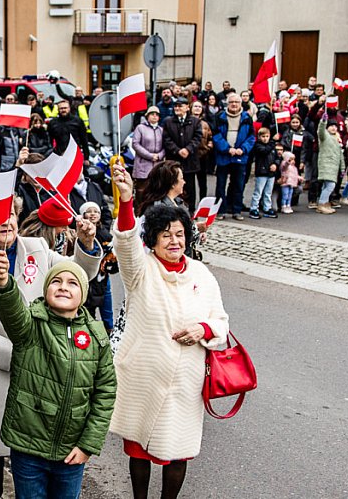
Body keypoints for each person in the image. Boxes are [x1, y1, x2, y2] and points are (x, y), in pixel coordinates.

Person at [0, 198, 102, 499]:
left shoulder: (38, 250)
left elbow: (77, 277)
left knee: (32, 456)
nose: (6, 222)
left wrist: (86, 243)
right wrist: (18, 354)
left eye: (11, 215)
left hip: (40, 377)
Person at [109, 163, 230, 499]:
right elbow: (126, 244)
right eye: (166, 235)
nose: (174, 241)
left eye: (179, 234)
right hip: (143, 377)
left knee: (178, 451)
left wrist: (202, 329)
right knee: (139, 452)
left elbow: (221, 324)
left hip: (185, 383)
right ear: (154, 239)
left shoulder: (201, 274)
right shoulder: (141, 270)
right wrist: (126, 202)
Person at [0, 257, 116, 499]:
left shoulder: (97, 337)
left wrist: (88, 445)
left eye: (72, 283)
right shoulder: (31, 326)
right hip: (28, 450)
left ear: (83, 294)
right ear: (46, 289)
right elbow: (13, 311)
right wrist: (4, 283)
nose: (63, 287)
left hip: (71, 453)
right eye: (56, 281)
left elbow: (105, 393)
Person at [213, 93, 255, 220]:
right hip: (224, 156)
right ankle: (220, 211)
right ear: (227, 103)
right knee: (220, 185)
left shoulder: (247, 117)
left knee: (238, 184)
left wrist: (242, 149)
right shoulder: (220, 116)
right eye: (231, 102)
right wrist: (227, 149)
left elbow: (251, 137)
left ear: (240, 103)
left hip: (240, 156)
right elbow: (216, 135)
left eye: (237, 102)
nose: (234, 104)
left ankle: (236, 210)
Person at [79, 201, 117, 332]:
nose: (93, 214)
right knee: (88, 303)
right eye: (89, 211)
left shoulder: (105, 234)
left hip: (102, 275)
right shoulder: (80, 233)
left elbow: (112, 254)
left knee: (106, 302)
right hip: (87, 275)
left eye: (96, 211)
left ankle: (109, 328)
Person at [163, 98, 202, 212]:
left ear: (187, 107)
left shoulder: (195, 121)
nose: (177, 108)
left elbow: (197, 137)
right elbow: (166, 138)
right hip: (174, 160)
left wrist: (188, 149)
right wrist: (177, 150)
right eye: (176, 106)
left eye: (180, 106)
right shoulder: (168, 122)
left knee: (190, 188)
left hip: (190, 161)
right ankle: (174, 209)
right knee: (173, 185)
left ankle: (190, 211)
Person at [315, 113, 346, 215]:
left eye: (335, 126)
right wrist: (323, 121)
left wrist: (342, 169)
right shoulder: (325, 137)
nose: (333, 128)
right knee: (330, 185)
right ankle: (322, 203)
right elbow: (320, 131)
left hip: (334, 166)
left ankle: (325, 202)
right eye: (331, 126)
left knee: (327, 185)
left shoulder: (337, 139)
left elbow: (340, 156)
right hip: (326, 164)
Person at [248, 128, 279, 219]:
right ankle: (254, 208)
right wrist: (273, 141)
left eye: (267, 136)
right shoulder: (258, 146)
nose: (265, 138)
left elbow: (277, 157)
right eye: (263, 136)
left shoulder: (272, 147)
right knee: (258, 192)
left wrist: (275, 164)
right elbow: (265, 151)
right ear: (259, 137)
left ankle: (267, 207)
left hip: (270, 173)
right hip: (262, 172)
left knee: (268, 192)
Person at [15, 153, 52, 227]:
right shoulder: (20, 190)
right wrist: (18, 164)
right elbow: (12, 187)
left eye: (40, 172)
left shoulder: (52, 192)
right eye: (32, 172)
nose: (36, 176)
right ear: (25, 174)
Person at [132, 106, 165, 186]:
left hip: (157, 164)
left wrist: (159, 155)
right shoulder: (140, 128)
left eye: (156, 115)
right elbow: (135, 144)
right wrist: (149, 156)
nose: (154, 116)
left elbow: (165, 146)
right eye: (152, 114)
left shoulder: (161, 130)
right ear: (147, 116)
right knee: (142, 189)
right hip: (143, 164)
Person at [189, 100, 214, 199]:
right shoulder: (187, 122)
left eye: (199, 107)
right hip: (190, 155)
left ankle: (202, 203)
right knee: (190, 183)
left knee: (202, 182)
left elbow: (210, 137)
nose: (197, 108)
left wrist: (208, 147)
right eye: (195, 106)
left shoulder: (205, 124)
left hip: (202, 155)